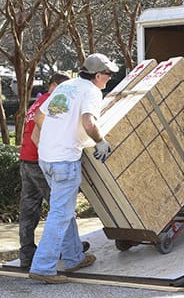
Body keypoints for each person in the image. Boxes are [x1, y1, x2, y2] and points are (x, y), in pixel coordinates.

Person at [28, 53, 118, 284]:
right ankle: (43, 267)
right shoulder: (91, 92)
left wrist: (56, 135)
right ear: (98, 75)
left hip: (47, 157)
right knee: (60, 214)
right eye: (108, 75)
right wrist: (101, 142)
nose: (109, 79)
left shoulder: (66, 86)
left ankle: (73, 257)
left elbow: (40, 116)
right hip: (65, 161)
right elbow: (89, 122)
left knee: (63, 210)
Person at [18, 72, 92, 270]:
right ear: (56, 85)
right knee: (62, 210)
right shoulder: (53, 101)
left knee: (29, 209)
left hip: (25, 160)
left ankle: (26, 254)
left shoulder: (38, 102)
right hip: (42, 160)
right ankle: (71, 253)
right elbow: (37, 135)